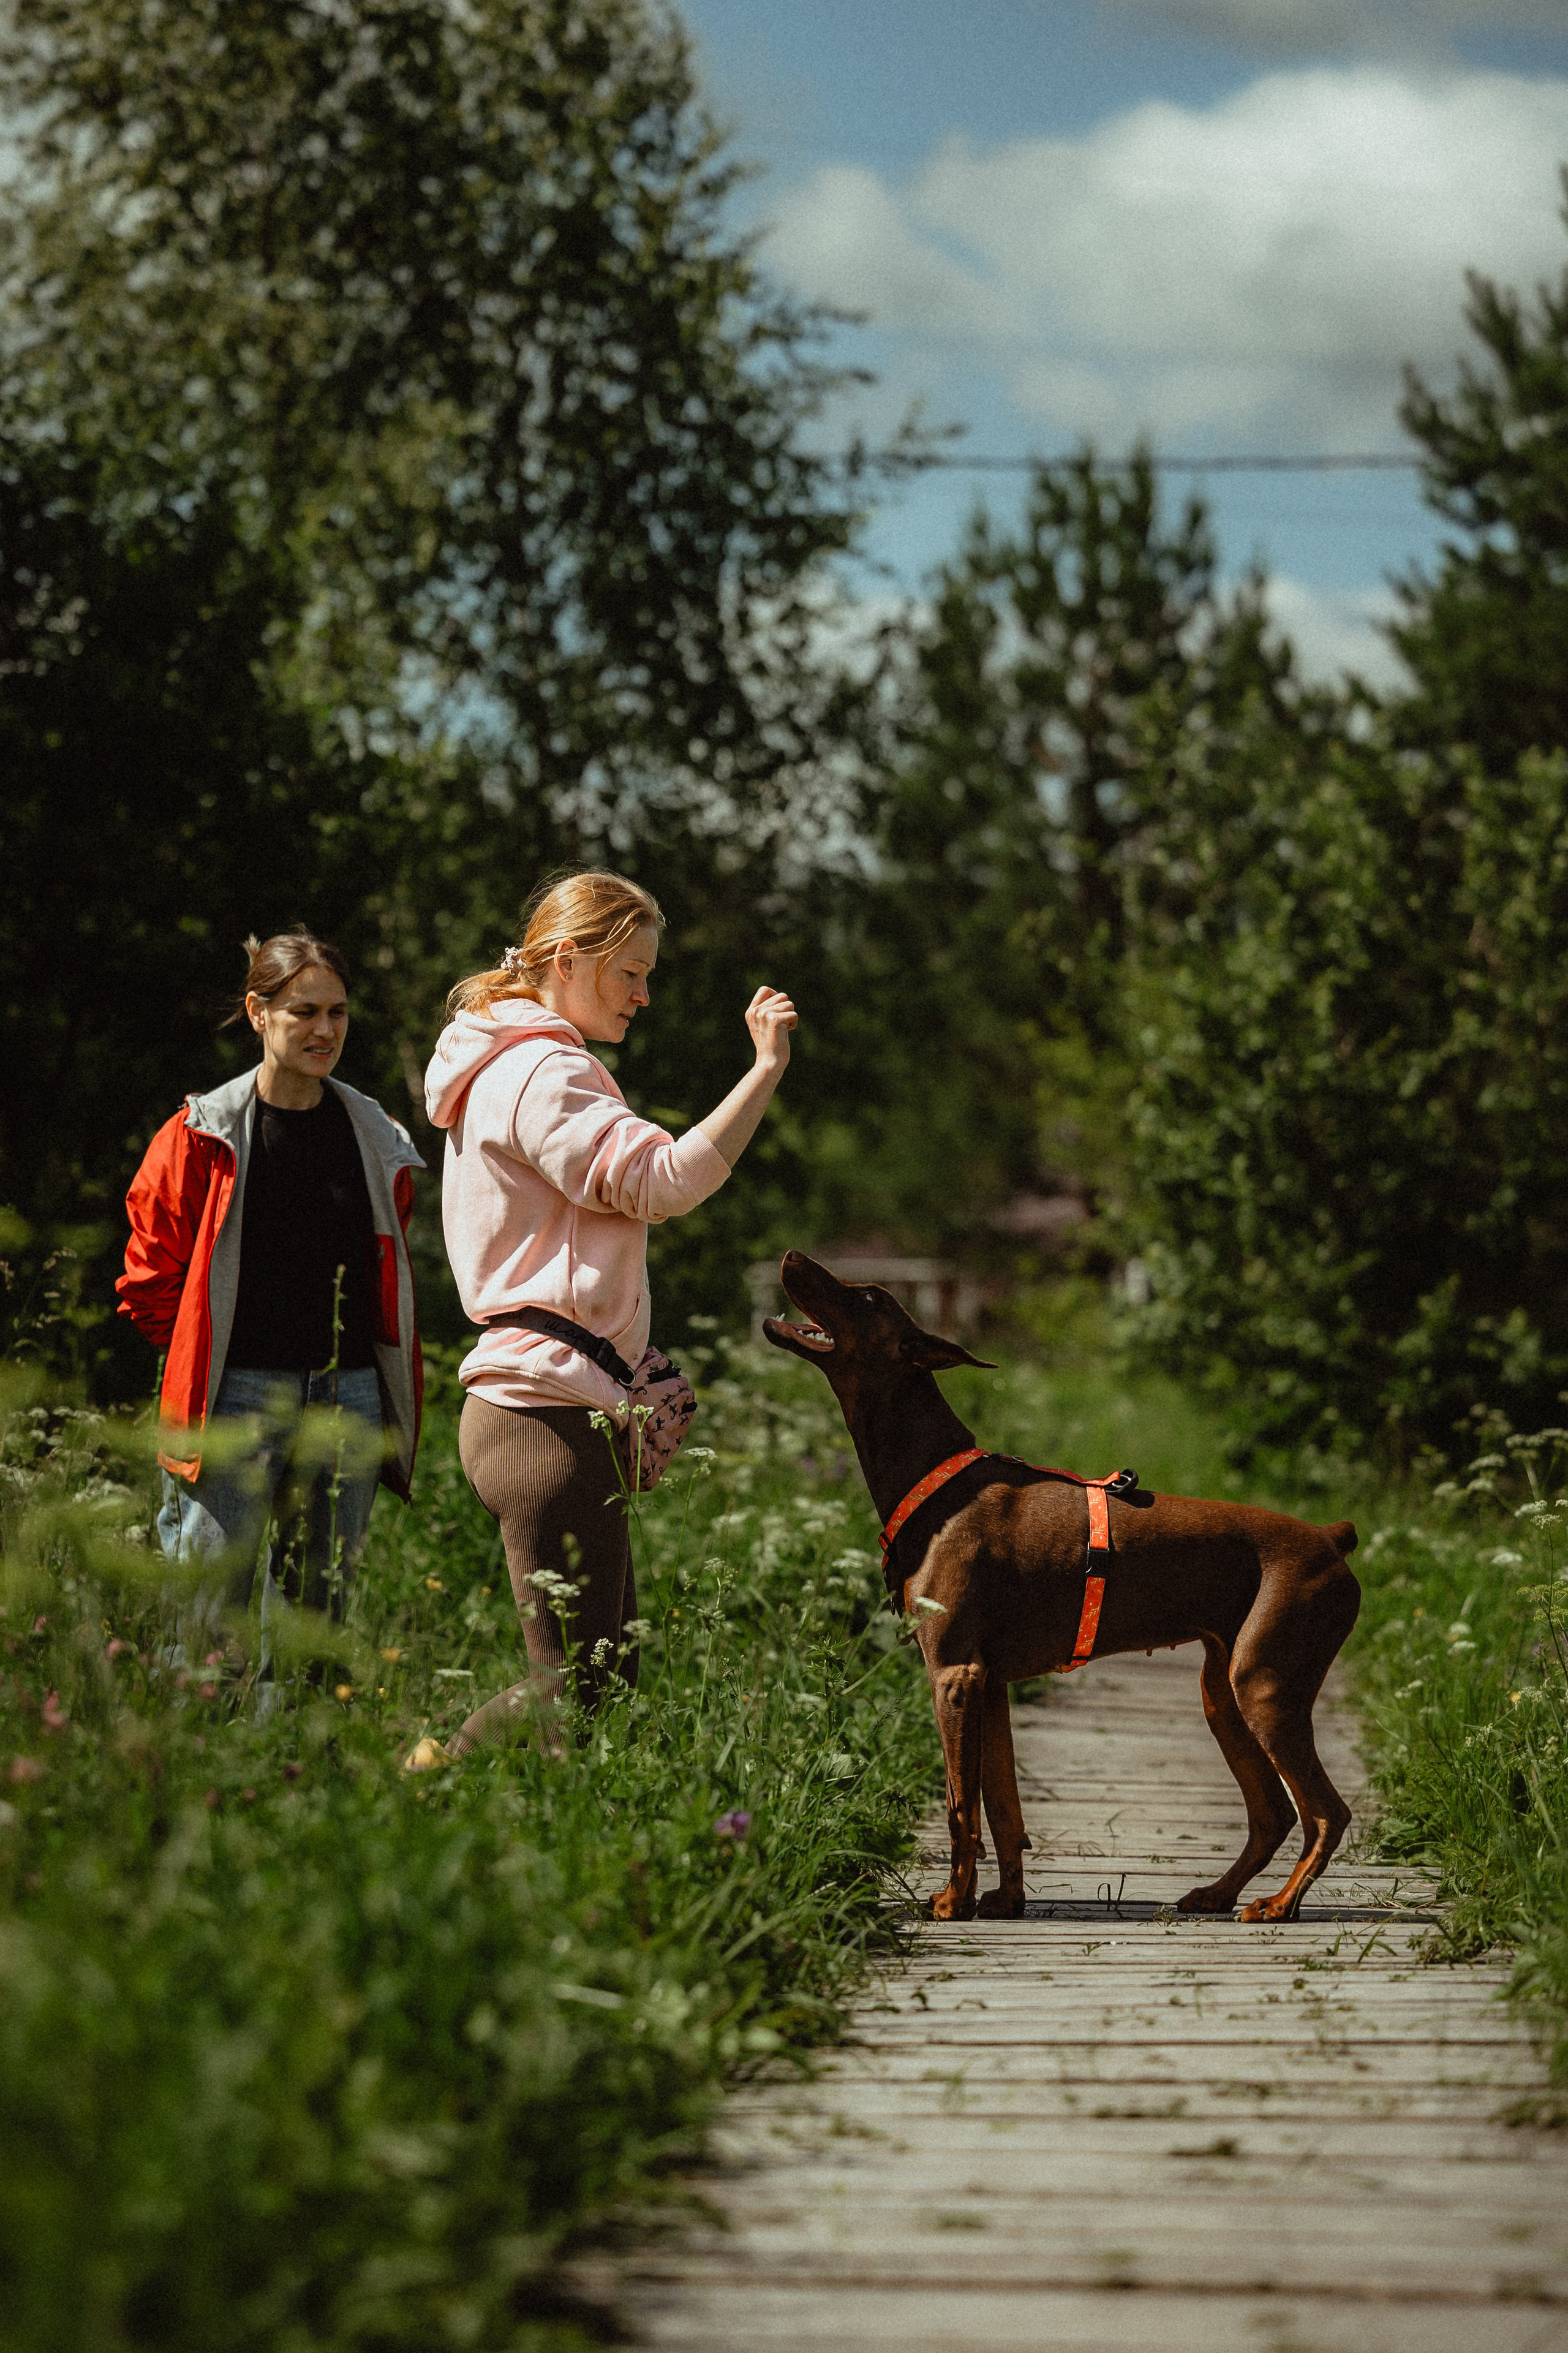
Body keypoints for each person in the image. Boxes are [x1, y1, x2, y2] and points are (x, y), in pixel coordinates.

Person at [421, 868, 796, 1758]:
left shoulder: (502, 1065)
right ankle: (414, 1788)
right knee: (578, 1694)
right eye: (628, 971)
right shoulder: (544, 1072)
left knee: (601, 1684)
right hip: (541, 1422)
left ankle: (483, 1821)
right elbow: (663, 1182)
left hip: (539, 1409)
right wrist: (765, 1068)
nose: (644, 993)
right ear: (565, 959)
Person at [117, 929, 424, 1694]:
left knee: (314, 1627)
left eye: (339, 1014)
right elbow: (149, 1277)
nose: (325, 1030)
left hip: (347, 1398)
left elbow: (389, 1264)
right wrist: (203, 1356)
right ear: (258, 1012)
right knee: (205, 1622)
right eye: (303, 1011)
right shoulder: (200, 1134)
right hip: (235, 1401)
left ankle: (289, 1793)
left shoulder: (374, 1134)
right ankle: (195, 1796)